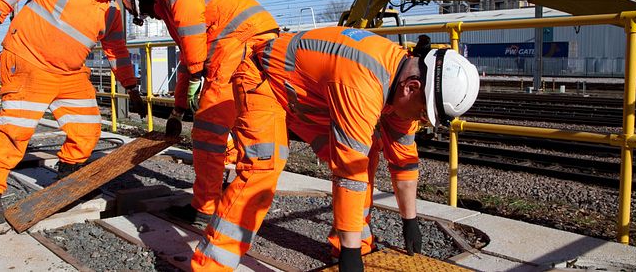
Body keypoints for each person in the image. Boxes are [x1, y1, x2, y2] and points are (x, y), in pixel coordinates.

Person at [191, 26, 480, 271]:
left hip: (305, 98)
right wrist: (351, 259)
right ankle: (211, 264)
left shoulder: (401, 76)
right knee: (263, 167)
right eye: (421, 114)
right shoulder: (362, 83)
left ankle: (354, 243)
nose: (419, 121)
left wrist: (410, 220)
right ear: (412, 88)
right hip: (264, 81)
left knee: (366, 155)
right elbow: (348, 173)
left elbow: (404, 160)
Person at [0, 0, 147, 225]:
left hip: (70, 75)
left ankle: (67, 181)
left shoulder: (111, 13)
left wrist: (131, 88)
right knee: (14, 131)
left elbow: (117, 52)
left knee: (87, 129)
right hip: (28, 63)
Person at [122, 0, 279, 226]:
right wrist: (178, 110)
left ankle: (205, 207)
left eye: (146, 12)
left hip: (237, 43)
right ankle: (236, 194)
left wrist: (197, 70)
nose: (152, 17)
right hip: (248, 41)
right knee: (245, 121)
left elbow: (192, 47)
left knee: (208, 129)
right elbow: (187, 58)